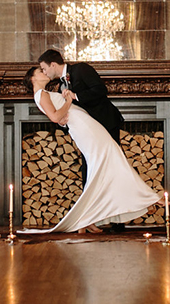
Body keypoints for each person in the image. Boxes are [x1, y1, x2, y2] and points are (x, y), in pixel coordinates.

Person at [19, 66, 160, 234]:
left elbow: (59, 116)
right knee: (111, 155)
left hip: (85, 124)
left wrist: (66, 108)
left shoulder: (43, 93)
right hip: (84, 127)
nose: (44, 73)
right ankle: (148, 197)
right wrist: (69, 101)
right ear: (33, 79)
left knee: (102, 163)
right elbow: (56, 117)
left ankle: (88, 219)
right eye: (40, 72)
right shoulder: (41, 94)